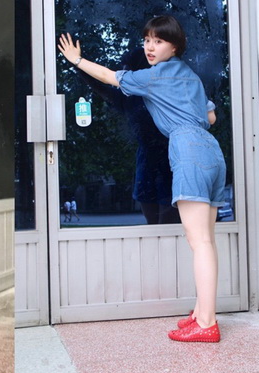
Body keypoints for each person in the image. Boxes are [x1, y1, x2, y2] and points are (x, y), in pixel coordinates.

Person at [58, 15, 225, 342]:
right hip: (212, 152)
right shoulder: (190, 76)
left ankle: (207, 323)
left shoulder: (154, 77)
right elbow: (211, 116)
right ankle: (201, 313)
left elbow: (109, 77)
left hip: (188, 149)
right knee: (206, 241)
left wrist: (76, 60)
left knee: (199, 242)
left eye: (158, 41)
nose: (150, 46)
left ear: (173, 46)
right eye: (147, 39)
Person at [77, 49, 180, 224]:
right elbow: (101, 86)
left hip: (170, 157)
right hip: (147, 158)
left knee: (167, 223)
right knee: (153, 223)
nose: (123, 72)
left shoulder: (164, 90)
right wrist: (79, 66)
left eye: (128, 68)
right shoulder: (128, 98)